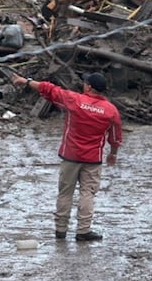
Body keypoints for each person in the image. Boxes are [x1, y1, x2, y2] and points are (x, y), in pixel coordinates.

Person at [11, 71, 122, 241]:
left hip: (70, 156)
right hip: (93, 160)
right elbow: (115, 138)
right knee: (88, 193)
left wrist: (26, 81)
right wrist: (113, 154)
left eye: (85, 82)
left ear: (89, 87)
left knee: (65, 193)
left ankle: (61, 230)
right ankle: (83, 231)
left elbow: (49, 89)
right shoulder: (111, 110)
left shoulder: (75, 100)